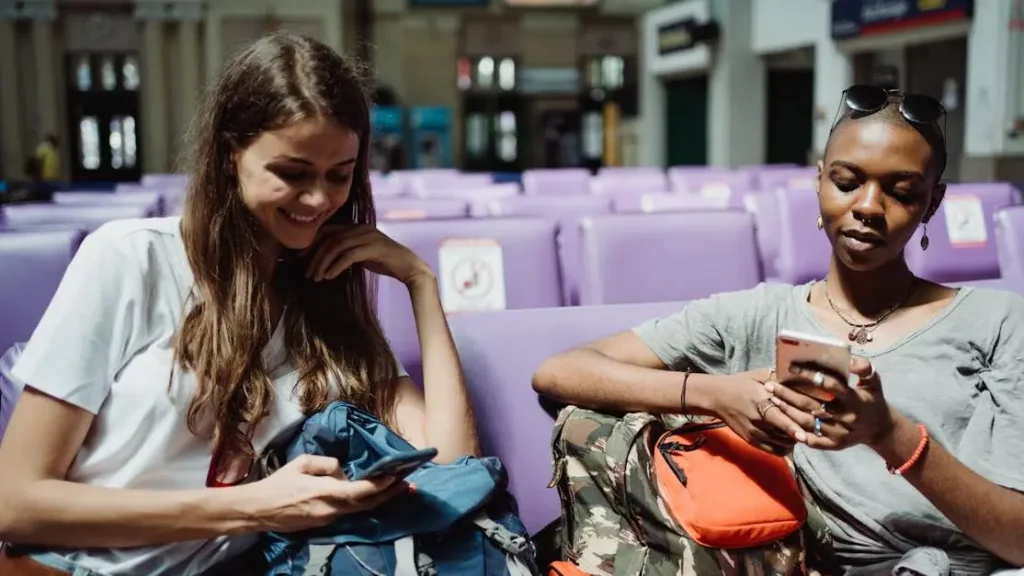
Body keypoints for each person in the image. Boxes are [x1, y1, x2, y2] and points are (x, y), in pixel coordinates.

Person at [0, 32, 479, 575]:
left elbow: (455, 467)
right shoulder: (131, 259)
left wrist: (420, 282)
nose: (319, 199)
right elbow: (15, 504)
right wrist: (251, 507)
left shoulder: (327, 300)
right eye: (292, 174)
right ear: (231, 155)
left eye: (339, 176)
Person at [533, 85, 1024, 575]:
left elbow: (1018, 541)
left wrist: (890, 435)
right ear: (819, 182)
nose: (869, 206)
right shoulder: (755, 315)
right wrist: (714, 393)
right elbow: (561, 371)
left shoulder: (999, 322)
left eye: (901, 191)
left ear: (932, 203)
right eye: (847, 181)